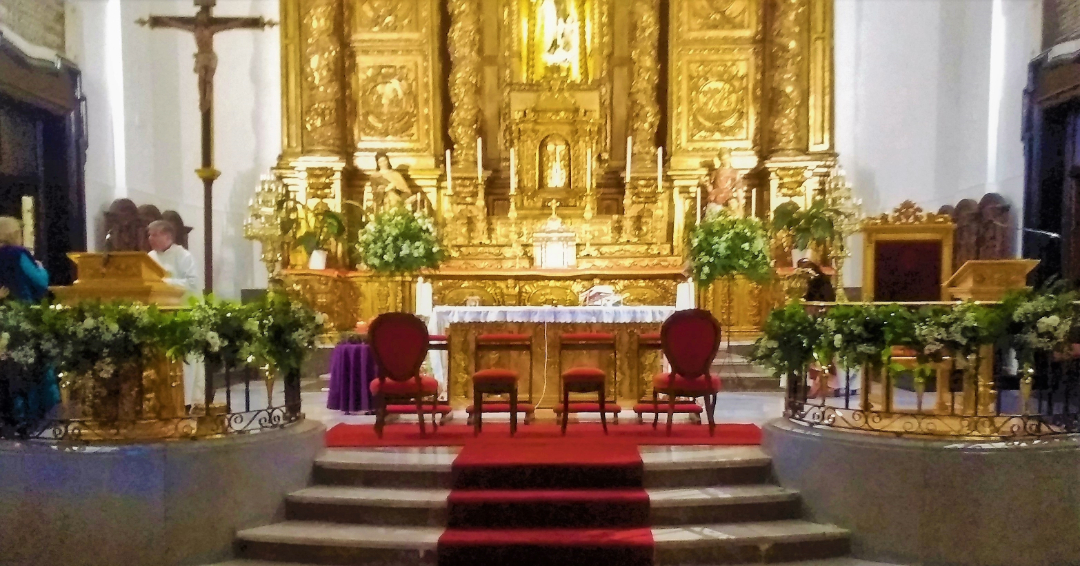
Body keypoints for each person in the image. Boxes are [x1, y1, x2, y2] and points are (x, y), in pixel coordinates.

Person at [0, 216, 58, 437]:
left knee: (8, 369)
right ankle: (36, 419)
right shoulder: (17, 254)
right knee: (32, 366)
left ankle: (11, 418)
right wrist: (41, 268)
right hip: (23, 316)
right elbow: (41, 282)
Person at [147, 220, 203, 409]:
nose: (150, 238)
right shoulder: (148, 258)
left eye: (154, 234)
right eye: (149, 234)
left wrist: (166, 282)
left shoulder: (183, 256)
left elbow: (193, 284)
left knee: (185, 360)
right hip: (158, 316)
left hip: (182, 314)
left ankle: (185, 401)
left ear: (168, 236)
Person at [798, 258, 840, 398]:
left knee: (821, 356)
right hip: (814, 321)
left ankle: (820, 386)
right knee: (816, 357)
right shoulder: (817, 282)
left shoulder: (819, 283)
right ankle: (818, 385)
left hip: (821, 321)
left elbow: (823, 301)